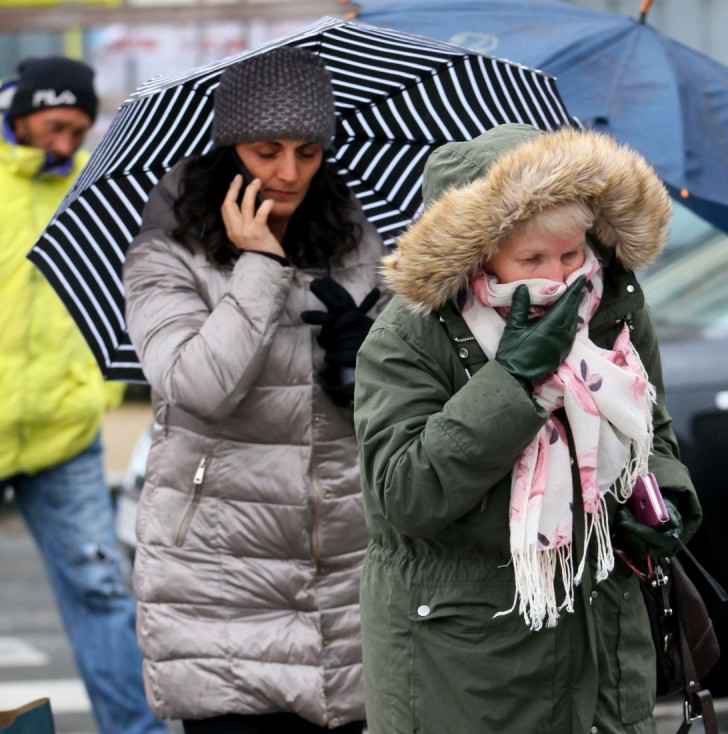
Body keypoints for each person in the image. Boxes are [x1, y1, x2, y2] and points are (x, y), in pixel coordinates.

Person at [353, 122, 704, 734]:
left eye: (572, 253)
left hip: (603, 653)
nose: (562, 276)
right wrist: (513, 381)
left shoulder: (613, 302)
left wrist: (663, 500)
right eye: (533, 259)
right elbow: (403, 493)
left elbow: (654, 428)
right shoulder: (410, 334)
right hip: (466, 669)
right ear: (478, 252)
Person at [122, 47, 385, 733]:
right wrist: (261, 264)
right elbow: (197, 387)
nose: (290, 172)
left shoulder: (356, 239)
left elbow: (401, 410)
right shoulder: (166, 251)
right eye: (267, 150)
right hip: (219, 583)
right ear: (227, 147)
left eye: (307, 149)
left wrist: (369, 359)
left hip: (349, 581)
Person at [0, 56, 167, 734]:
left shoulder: (95, 188)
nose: (66, 143)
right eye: (54, 126)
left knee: (101, 591)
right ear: (19, 115)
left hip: (64, 430)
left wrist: (94, 389)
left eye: (78, 129)